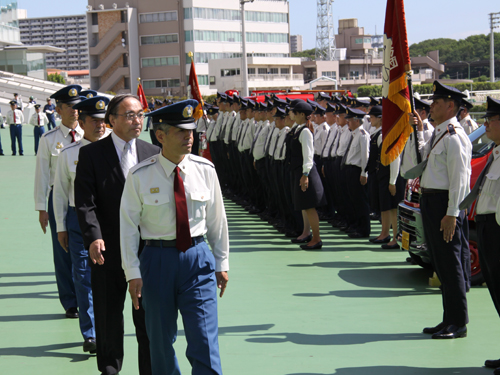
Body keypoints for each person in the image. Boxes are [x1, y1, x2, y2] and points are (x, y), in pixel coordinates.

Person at [120, 99, 229, 375]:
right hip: (156, 261)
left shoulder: (205, 170)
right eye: (181, 131)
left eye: (191, 131)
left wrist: (222, 262)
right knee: (160, 342)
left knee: (205, 339)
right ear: (160, 135)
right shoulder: (139, 176)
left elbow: (217, 220)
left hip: (198, 258)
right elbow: (128, 227)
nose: (189, 137)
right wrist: (132, 272)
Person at [75, 94, 158, 375]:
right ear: (112, 120)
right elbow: (86, 202)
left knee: (146, 318)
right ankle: (110, 368)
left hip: (146, 251)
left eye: (140, 114)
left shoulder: (152, 152)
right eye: (130, 115)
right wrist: (93, 236)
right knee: (109, 315)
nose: (137, 120)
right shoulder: (91, 154)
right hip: (108, 250)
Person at [404, 81, 472, 339]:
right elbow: (419, 163)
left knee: (451, 263)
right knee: (441, 263)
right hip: (431, 201)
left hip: (445, 204)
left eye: (436, 102)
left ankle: (459, 322)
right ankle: (448, 319)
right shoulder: (438, 132)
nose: (430, 106)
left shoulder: (455, 136)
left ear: (450, 106)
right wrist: (418, 132)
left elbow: (459, 180)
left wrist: (452, 213)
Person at [53, 96, 110, 354]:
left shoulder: (118, 151)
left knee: (111, 277)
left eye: (103, 121)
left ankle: (108, 329)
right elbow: (60, 193)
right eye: (94, 121)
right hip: (78, 222)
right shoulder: (68, 155)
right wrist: (60, 227)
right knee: (83, 276)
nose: (100, 126)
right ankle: (91, 333)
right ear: (82, 122)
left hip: (110, 221)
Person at [34, 85, 84, 318]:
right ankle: (70, 302)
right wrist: (42, 208)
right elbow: (42, 174)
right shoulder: (48, 139)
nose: (75, 111)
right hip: (59, 198)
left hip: (86, 196)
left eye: (78, 107)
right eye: (71, 107)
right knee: (62, 251)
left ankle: (89, 297)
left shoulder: (92, 135)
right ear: (59, 109)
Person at [460, 96, 500, 372]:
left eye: (490, 120)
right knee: (497, 293)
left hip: (497, 230)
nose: (485, 124)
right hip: (487, 228)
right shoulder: (495, 153)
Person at [288, 101, 326, 250]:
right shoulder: (298, 129)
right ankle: (306, 233)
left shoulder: (305, 131)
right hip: (300, 172)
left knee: (309, 207)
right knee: (304, 205)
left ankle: (316, 238)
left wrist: (305, 175)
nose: (293, 116)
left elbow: (308, 155)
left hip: (306, 173)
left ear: (302, 115)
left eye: (295, 113)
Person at [342, 107, 371, 238]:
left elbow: (365, 155)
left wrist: (364, 173)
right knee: (352, 200)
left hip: (357, 170)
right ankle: (356, 226)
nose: (347, 122)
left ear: (357, 121)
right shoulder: (354, 134)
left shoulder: (363, 134)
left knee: (360, 201)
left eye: (350, 120)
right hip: (349, 170)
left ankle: (363, 229)